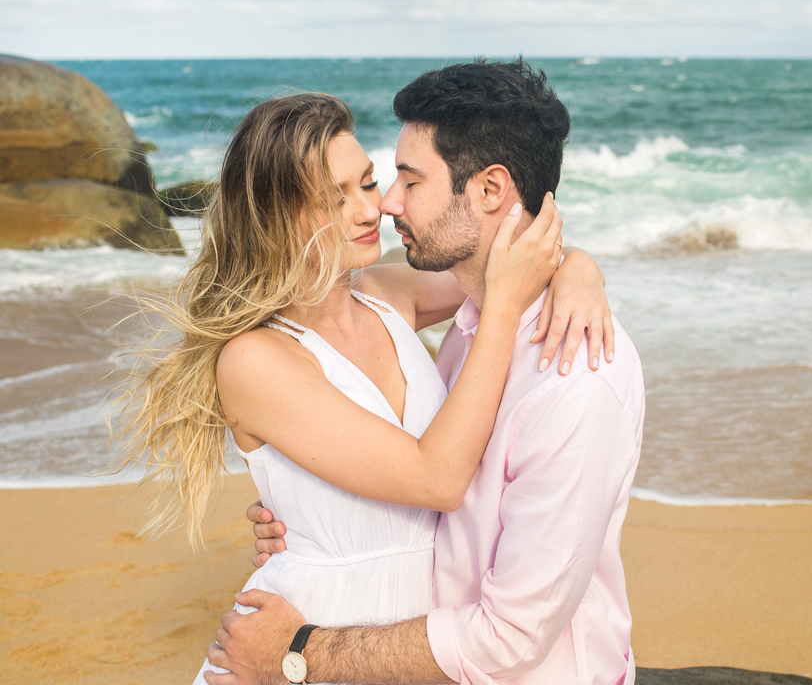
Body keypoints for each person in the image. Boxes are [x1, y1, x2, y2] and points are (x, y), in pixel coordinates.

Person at [108, 90, 614, 685]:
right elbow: (437, 478)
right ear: (273, 217)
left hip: (411, 638)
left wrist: (581, 265)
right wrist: (502, 309)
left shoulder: (387, 292)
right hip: (303, 639)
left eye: (368, 183)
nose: (369, 211)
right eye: (332, 198)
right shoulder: (255, 359)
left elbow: (504, 258)